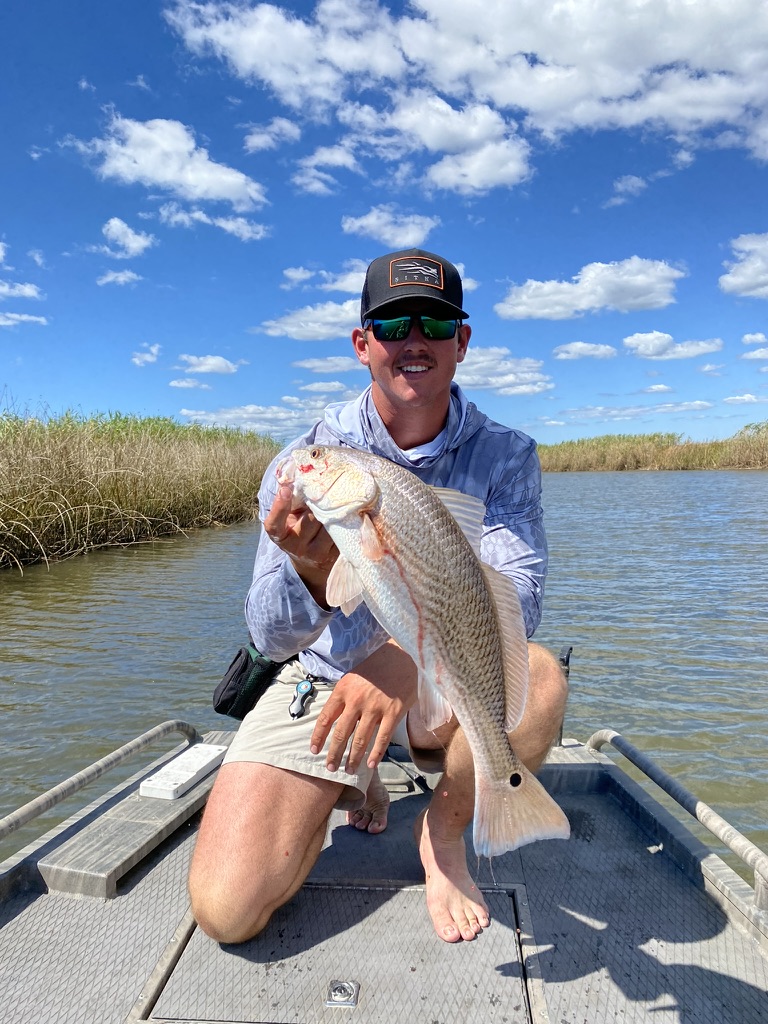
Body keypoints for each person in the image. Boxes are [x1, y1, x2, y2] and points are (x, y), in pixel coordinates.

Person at [188, 247, 568, 945]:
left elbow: (519, 593)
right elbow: (270, 639)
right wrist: (307, 572)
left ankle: (444, 834)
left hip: (444, 683)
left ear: (462, 343)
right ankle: (348, 778)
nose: (413, 340)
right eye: (392, 326)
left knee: (541, 677)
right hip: (325, 679)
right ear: (363, 345)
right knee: (226, 910)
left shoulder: (508, 456)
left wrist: (400, 662)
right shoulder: (303, 461)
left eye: (434, 322)